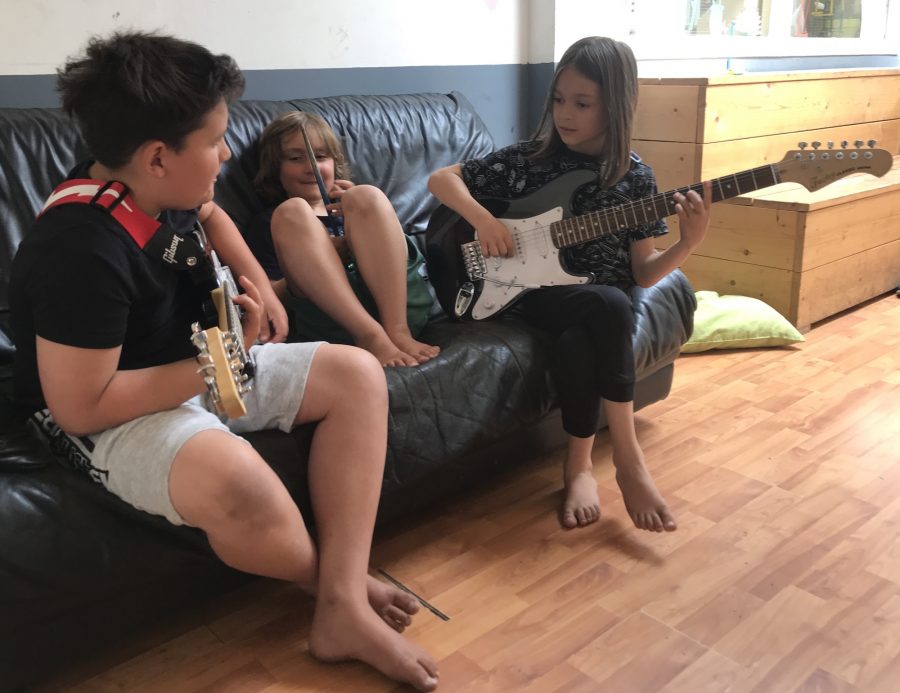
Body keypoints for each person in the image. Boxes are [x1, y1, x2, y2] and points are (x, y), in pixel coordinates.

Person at [9, 32, 438, 691]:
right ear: (158, 158)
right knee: (245, 490)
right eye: (216, 140)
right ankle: (336, 588)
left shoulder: (146, 178)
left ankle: (341, 606)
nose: (228, 153)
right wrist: (223, 361)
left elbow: (208, 212)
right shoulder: (77, 250)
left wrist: (256, 281)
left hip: (198, 360)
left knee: (356, 374)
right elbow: (80, 404)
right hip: (109, 410)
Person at [428, 36, 711, 533]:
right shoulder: (529, 159)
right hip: (526, 294)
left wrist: (687, 243)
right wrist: (483, 220)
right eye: (559, 99)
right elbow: (441, 180)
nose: (565, 113)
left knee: (596, 321)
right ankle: (627, 460)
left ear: (617, 105)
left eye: (583, 103)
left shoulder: (635, 179)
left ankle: (578, 466)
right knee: (608, 305)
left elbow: (643, 273)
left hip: (595, 306)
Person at [247, 111, 439, 367]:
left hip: (401, 310)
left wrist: (363, 211)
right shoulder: (273, 222)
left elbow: (395, 254)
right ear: (275, 169)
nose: (310, 167)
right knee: (292, 211)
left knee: (367, 195)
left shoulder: (358, 204)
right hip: (332, 324)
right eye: (295, 158)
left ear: (335, 163)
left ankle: (398, 332)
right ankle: (371, 337)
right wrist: (322, 259)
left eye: (321, 156)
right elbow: (266, 297)